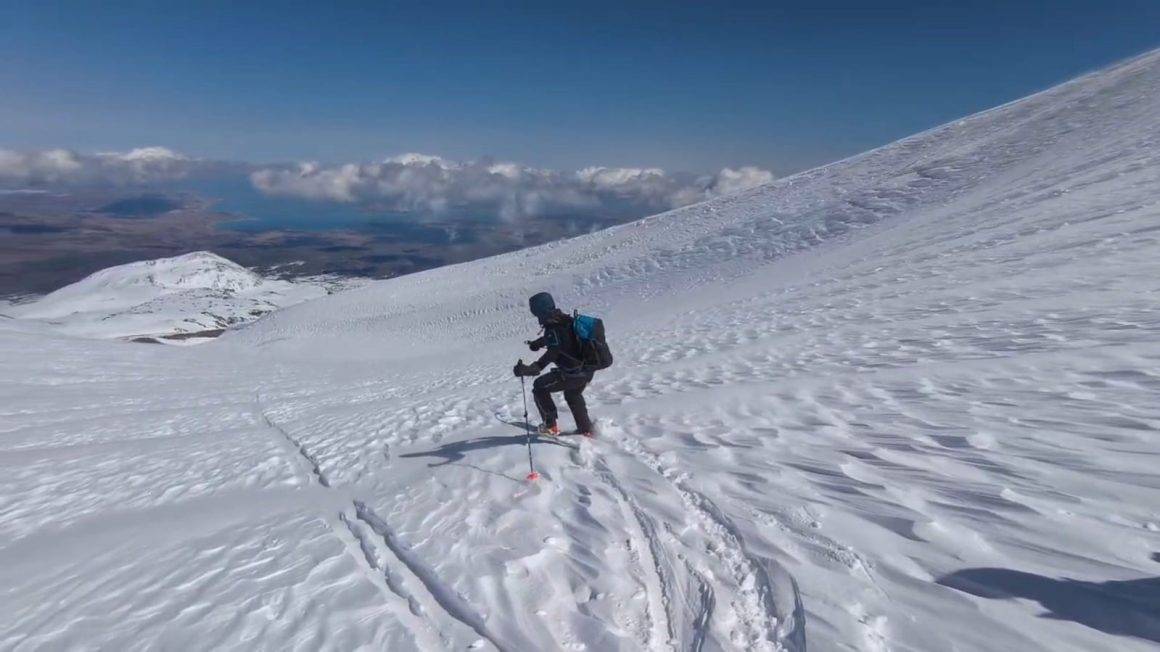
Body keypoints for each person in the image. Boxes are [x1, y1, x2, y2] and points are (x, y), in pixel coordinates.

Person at [512, 292, 595, 436]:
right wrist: (539, 343)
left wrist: (532, 368)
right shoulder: (564, 319)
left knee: (539, 386)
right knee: (573, 394)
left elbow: (553, 352)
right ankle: (586, 429)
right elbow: (561, 339)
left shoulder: (553, 327)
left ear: (539, 310)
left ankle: (550, 426)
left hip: (572, 373)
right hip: (587, 370)